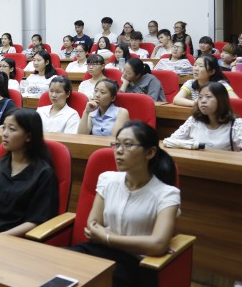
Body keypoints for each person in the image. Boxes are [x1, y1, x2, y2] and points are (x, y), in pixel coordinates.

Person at [69, 121, 180, 287]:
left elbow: (158, 244)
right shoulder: (107, 179)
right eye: (117, 144)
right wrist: (140, 243)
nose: (119, 151)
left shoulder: (167, 194)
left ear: (150, 152)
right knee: (54, 267)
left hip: (134, 266)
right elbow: (93, 224)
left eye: (127, 145)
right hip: (96, 252)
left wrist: (107, 237)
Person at [0, 108, 59, 234]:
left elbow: (37, 220)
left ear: (28, 136)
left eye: (12, 129)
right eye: (3, 128)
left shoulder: (43, 173)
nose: (5, 134)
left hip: (17, 239)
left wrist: (0, 238)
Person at [166, 82, 242, 151]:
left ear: (221, 100)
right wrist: (193, 145)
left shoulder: (236, 124)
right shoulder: (193, 121)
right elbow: (169, 141)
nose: (203, 101)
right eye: (200, 97)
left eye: (208, 97)